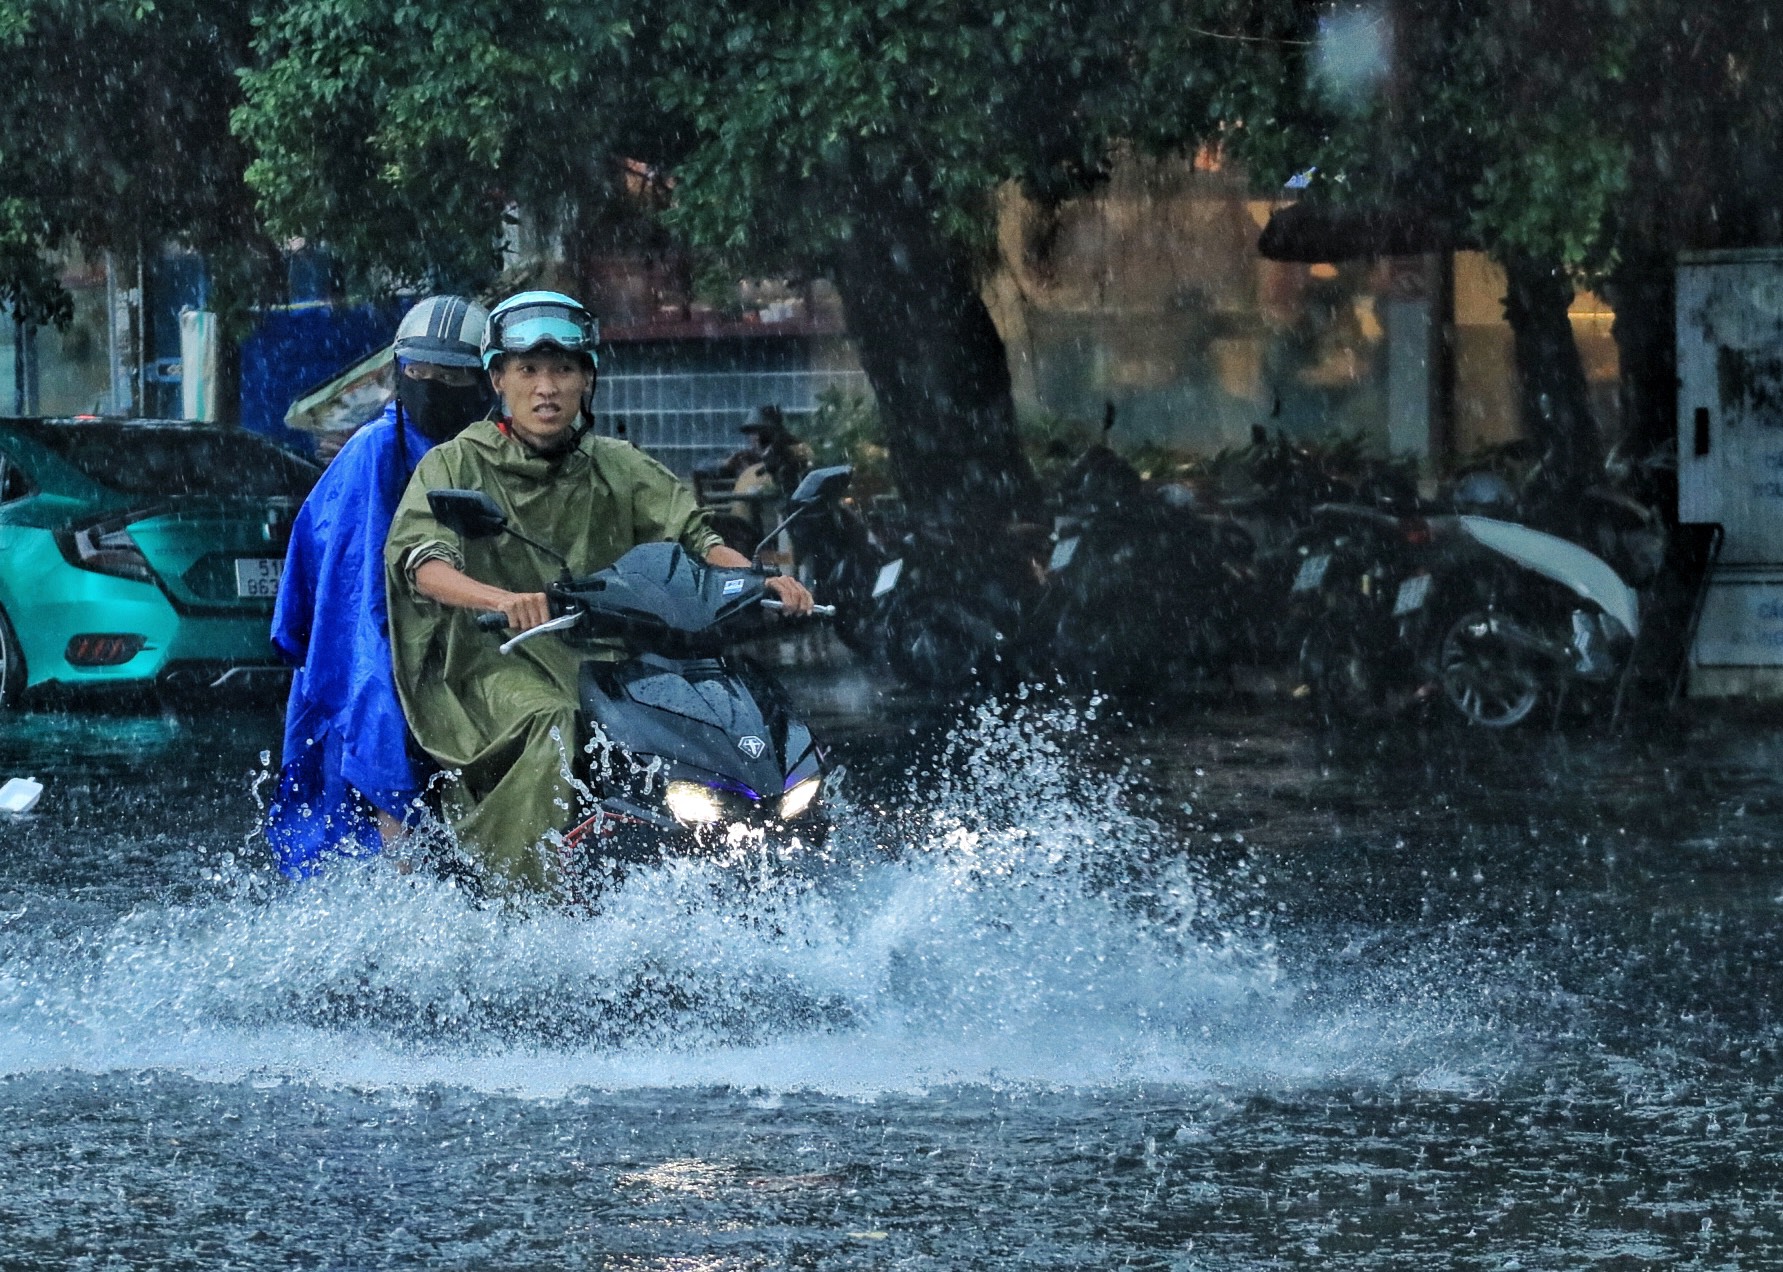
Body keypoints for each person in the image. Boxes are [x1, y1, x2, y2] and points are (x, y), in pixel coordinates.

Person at [383, 290, 812, 896]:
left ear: (587, 379)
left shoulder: (616, 463)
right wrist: (501, 601)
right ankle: (525, 889)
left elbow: (696, 537)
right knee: (554, 721)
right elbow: (423, 562)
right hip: (493, 660)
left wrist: (761, 580)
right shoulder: (455, 464)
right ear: (498, 380)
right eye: (527, 370)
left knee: (722, 708)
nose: (546, 387)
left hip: (612, 651)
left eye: (563, 369)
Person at [267, 296, 495, 876]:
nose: (434, 385)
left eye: (452, 375)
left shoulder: (493, 449)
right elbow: (344, 568)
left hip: (477, 624)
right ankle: (404, 884)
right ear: (401, 370)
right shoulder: (375, 449)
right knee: (381, 715)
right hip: (378, 628)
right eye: (421, 372)